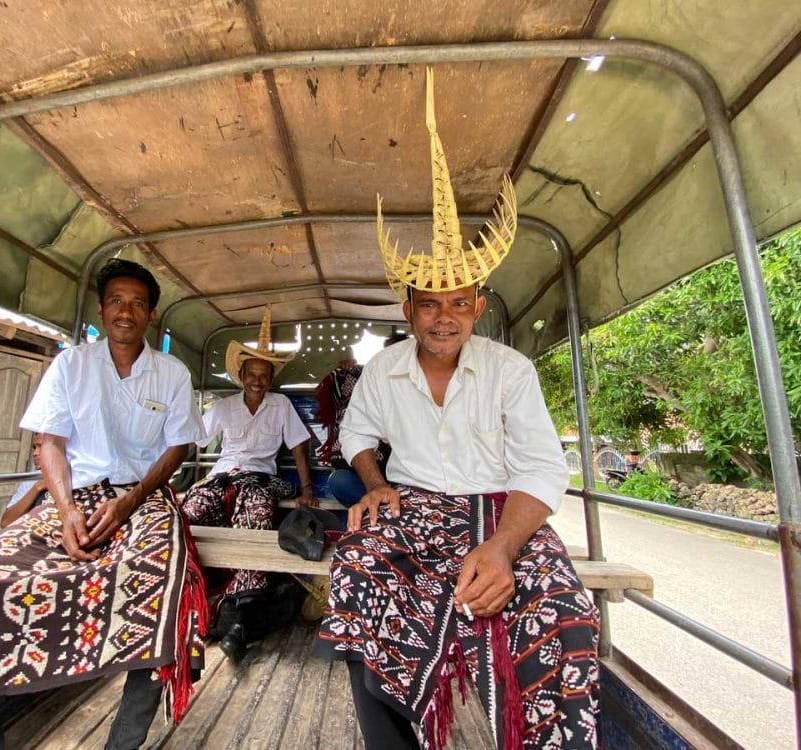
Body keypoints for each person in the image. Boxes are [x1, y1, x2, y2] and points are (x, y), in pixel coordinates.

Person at [317, 68, 599, 750]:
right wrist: (378, 486)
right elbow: (356, 431)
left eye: (458, 302)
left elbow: (540, 468)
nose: (444, 316)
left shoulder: (509, 370)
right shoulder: (383, 370)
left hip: (503, 512)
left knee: (566, 615)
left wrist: (502, 550)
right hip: (413, 508)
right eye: (429, 303)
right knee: (355, 581)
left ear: (477, 305)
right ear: (408, 308)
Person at [0, 259, 208, 750]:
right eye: (116, 300)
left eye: (138, 303)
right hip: (72, 496)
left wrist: (128, 504)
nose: (125, 311)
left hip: (145, 497)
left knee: (167, 592)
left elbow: (177, 447)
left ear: (152, 315)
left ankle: (122, 741)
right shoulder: (71, 364)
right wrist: (68, 509)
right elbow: (50, 442)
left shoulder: (172, 373)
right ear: (101, 309)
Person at [181, 304, 315, 660]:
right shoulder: (223, 408)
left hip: (261, 478)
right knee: (191, 510)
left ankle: (242, 607)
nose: (258, 380)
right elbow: (191, 439)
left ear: (271, 379)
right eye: (251, 374)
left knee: (255, 509)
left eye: (264, 375)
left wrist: (306, 490)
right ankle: (193, 598)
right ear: (241, 375)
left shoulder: (281, 404)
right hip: (224, 476)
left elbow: (299, 447)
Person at [316, 333, 408, 507]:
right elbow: (354, 431)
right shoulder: (370, 378)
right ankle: (381, 511)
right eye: (387, 354)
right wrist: (347, 368)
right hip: (370, 474)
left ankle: (385, 514)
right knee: (340, 480)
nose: (392, 360)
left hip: (410, 478)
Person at [0, 433, 47, 528]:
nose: (35, 453)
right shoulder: (32, 479)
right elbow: (6, 522)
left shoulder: (76, 481)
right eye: (34, 447)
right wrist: (37, 487)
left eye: (41, 447)